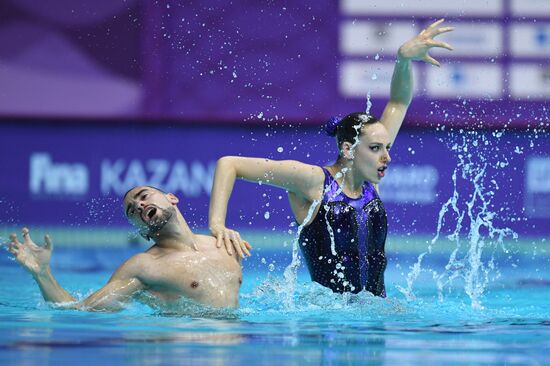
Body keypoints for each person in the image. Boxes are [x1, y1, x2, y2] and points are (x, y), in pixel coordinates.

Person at [208, 19, 454, 297]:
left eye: (387, 147)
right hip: (326, 324)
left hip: (375, 319)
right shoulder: (314, 182)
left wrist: (403, 60)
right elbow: (229, 163)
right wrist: (217, 225)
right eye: (376, 148)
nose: (386, 156)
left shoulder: (369, 184)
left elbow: (398, 103)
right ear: (348, 149)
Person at [7, 186, 252, 311]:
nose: (139, 205)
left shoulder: (224, 244)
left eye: (144, 196)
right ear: (141, 230)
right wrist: (42, 274)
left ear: (171, 198)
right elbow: (82, 311)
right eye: (132, 211)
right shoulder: (144, 267)